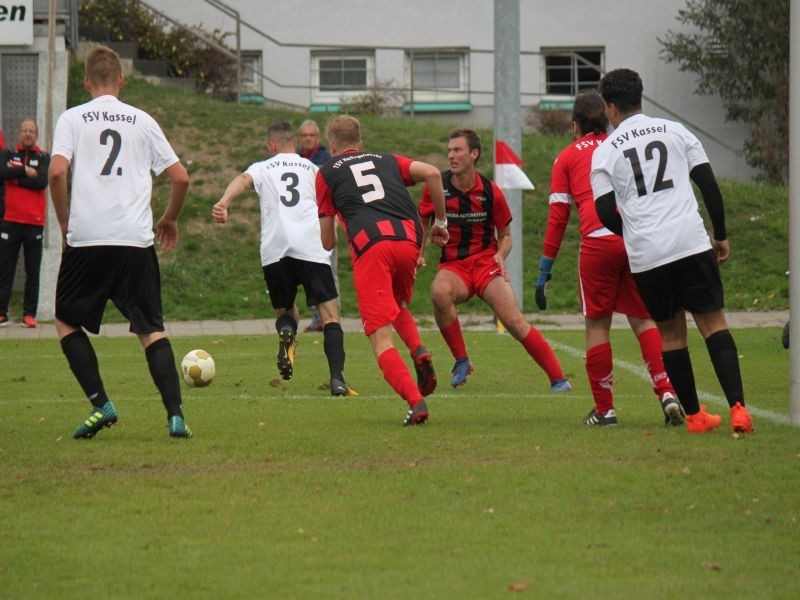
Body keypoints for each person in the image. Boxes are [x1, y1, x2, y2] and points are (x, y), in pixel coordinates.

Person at [591, 68, 753, 434]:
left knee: (671, 335)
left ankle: (695, 417)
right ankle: (739, 410)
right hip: (689, 242)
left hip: (648, 254)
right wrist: (720, 234)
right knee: (713, 324)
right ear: (640, 97)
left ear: (611, 107)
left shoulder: (604, 153)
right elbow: (708, 185)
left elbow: (604, 211)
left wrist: (634, 233)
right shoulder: (676, 131)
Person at [48, 45, 192, 439]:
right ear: (122, 81)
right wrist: (169, 218)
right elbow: (180, 178)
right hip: (133, 239)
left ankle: (101, 403)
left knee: (65, 321)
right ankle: (175, 416)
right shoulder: (142, 120)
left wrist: (64, 220)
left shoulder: (72, 118)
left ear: (86, 82)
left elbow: (57, 173)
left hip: (88, 239)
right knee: (151, 328)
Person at [537, 90, 682, 426]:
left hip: (598, 242)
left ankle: (605, 410)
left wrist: (545, 267)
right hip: (634, 239)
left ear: (575, 126)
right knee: (644, 319)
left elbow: (558, 217)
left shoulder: (567, 157)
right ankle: (667, 393)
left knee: (597, 324)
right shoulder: (622, 144)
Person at [316, 115, 449, 426]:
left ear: (332, 146)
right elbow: (432, 173)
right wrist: (441, 222)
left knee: (380, 339)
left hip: (372, 245)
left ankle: (415, 402)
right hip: (409, 239)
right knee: (396, 304)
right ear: (360, 142)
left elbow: (327, 242)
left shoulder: (326, 172)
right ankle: (418, 350)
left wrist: (335, 226)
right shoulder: (386, 159)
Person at [419, 128, 571, 392]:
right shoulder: (437, 186)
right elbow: (422, 221)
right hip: (454, 267)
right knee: (439, 292)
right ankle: (462, 360)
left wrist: (501, 254)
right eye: (450, 150)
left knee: (513, 321)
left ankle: (558, 379)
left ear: (473, 154)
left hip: (486, 265)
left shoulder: (490, 191)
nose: (451, 155)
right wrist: (419, 252)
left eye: (458, 150)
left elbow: (506, 235)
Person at [212, 120, 357, 397]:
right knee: (330, 315)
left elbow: (242, 180)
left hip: (275, 250)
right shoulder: (313, 169)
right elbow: (332, 204)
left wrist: (224, 202)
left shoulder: (263, 167)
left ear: (272, 145)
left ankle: (287, 331)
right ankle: (337, 379)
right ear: (296, 142)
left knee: (285, 310)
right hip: (311, 247)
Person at [0, 119, 50, 327]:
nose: (28, 134)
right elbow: (2, 173)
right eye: (24, 130)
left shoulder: (44, 157)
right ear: (19, 134)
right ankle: (2, 313)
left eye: (31, 131)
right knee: (5, 270)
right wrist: (24, 170)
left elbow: (41, 182)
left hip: (34, 223)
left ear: (36, 135)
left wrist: (15, 178)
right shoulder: (8, 154)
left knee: (32, 271)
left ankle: (29, 314)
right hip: (10, 221)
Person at [296, 119, 333, 333]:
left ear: (318, 138)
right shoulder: (294, 158)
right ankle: (316, 317)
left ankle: (332, 318)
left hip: (323, 218)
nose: (308, 138)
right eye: (304, 135)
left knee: (328, 271)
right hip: (301, 222)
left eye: (311, 135)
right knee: (307, 273)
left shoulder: (327, 158)